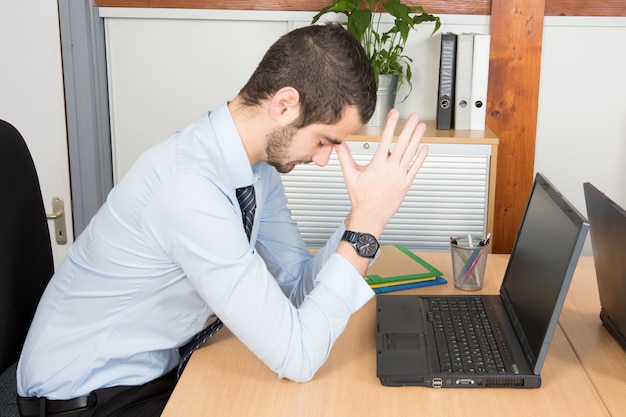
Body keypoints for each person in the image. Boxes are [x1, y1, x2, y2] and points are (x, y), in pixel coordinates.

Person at [16, 23, 429, 416]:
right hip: (87, 397)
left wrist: (363, 214)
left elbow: (298, 286)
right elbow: (298, 355)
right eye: (324, 140)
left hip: (154, 372)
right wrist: (365, 229)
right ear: (284, 105)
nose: (323, 160)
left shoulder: (255, 170)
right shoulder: (188, 188)